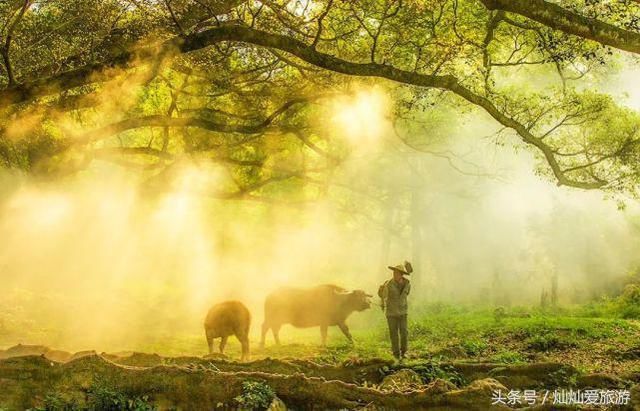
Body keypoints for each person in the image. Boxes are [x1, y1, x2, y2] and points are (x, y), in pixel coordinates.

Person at [378, 261, 412, 362]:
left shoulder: (407, 284)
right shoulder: (388, 284)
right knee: (393, 333)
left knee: (404, 332)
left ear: (401, 275)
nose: (395, 274)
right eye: (394, 273)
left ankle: (404, 352)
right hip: (391, 313)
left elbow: (406, 295)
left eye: (397, 273)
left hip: (403, 312)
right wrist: (380, 291)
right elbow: (382, 295)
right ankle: (396, 353)